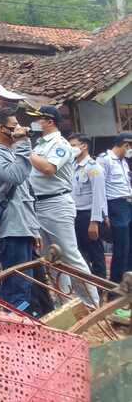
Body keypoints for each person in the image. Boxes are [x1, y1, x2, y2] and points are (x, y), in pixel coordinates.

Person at [28, 105, 99, 306]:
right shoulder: (41, 144)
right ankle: (64, 303)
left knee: (69, 254)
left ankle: (91, 303)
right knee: (50, 257)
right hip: (39, 203)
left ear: (49, 121)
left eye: (39, 119)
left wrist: (28, 153)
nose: (35, 123)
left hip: (56, 202)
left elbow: (49, 168)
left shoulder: (59, 143)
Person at [0, 109, 40, 309]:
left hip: (23, 224)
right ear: (1, 129)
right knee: (17, 281)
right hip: (10, 226)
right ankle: (13, 322)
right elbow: (15, 176)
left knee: (25, 280)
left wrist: (35, 229)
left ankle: (23, 317)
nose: (20, 128)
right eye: (15, 125)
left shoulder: (10, 152)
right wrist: (23, 144)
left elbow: (25, 192)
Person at [69, 133, 107, 279]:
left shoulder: (93, 167)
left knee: (95, 254)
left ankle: (101, 288)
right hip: (74, 215)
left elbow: (99, 197)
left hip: (88, 216)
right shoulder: (72, 165)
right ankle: (88, 286)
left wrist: (94, 222)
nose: (70, 149)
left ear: (83, 146)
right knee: (80, 253)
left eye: (73, 145)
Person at [96, 132, 132, 283]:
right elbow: (99, 188)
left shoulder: (123, 161)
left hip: (127, 204)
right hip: (115, 205)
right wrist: (104, 214)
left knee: (130, 246)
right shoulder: (104, 160)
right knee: (121, 247)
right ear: (126, 145)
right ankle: (116, 285)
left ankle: (128, 280)